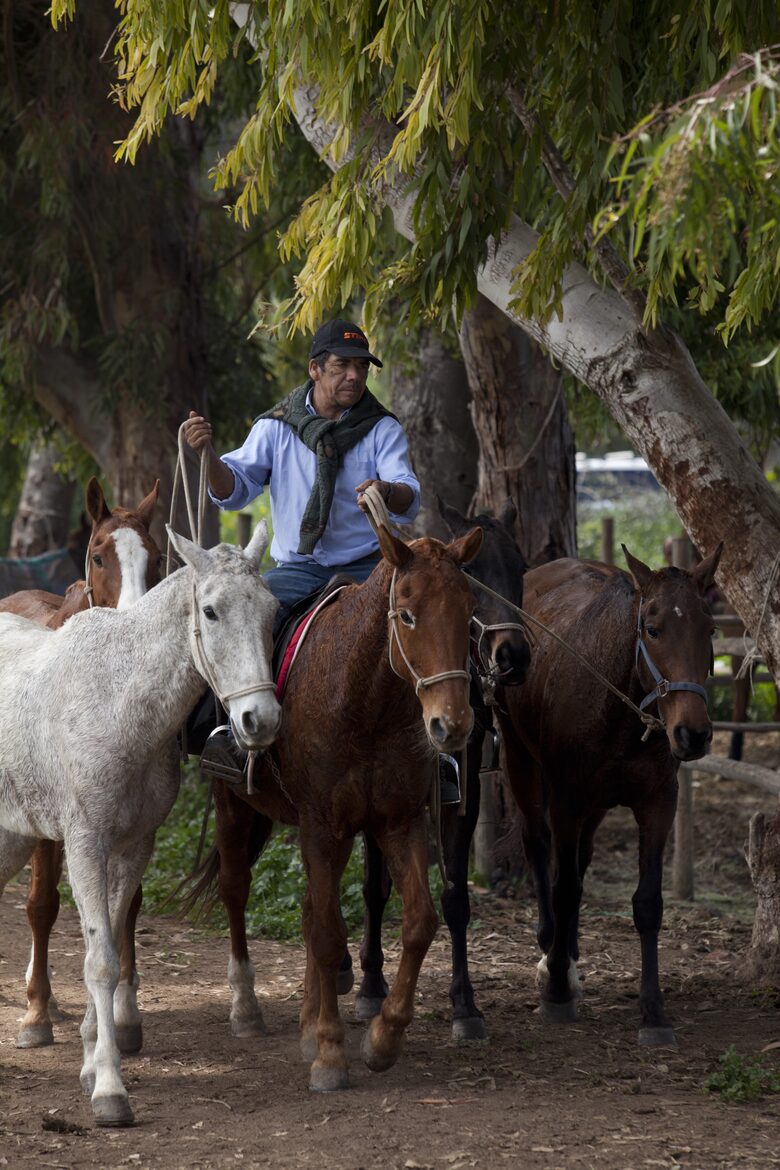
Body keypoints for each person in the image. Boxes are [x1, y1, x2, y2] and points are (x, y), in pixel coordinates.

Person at [184, 319, 461, 801]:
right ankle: (224, 735)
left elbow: (409, 495)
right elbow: (233, 491)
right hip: (299, 568)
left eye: (361, 367)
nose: (353, 376)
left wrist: (385, 490)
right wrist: (208, 454)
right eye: (342, 366)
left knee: (440, 623)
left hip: (370, 567)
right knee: (245, 623)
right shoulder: (274, 427)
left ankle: (445, 756)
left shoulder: (382, 428)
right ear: (316, 370)